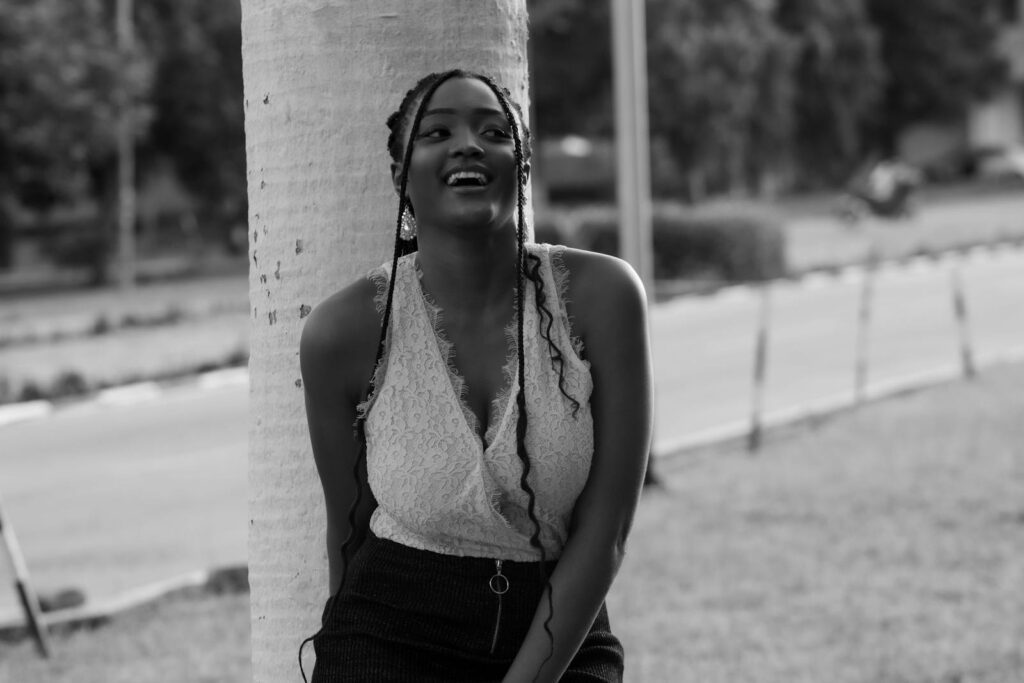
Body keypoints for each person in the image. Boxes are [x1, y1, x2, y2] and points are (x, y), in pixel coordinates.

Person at [297, 68, 652, 682]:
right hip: (389, 633)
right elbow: (348, 528)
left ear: (522, 167)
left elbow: (607, 531)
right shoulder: (344, 332)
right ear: (400, 178)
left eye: (494, 131)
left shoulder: (602, 298)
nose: (468, 144)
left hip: (556, 628)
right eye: (437, 133)